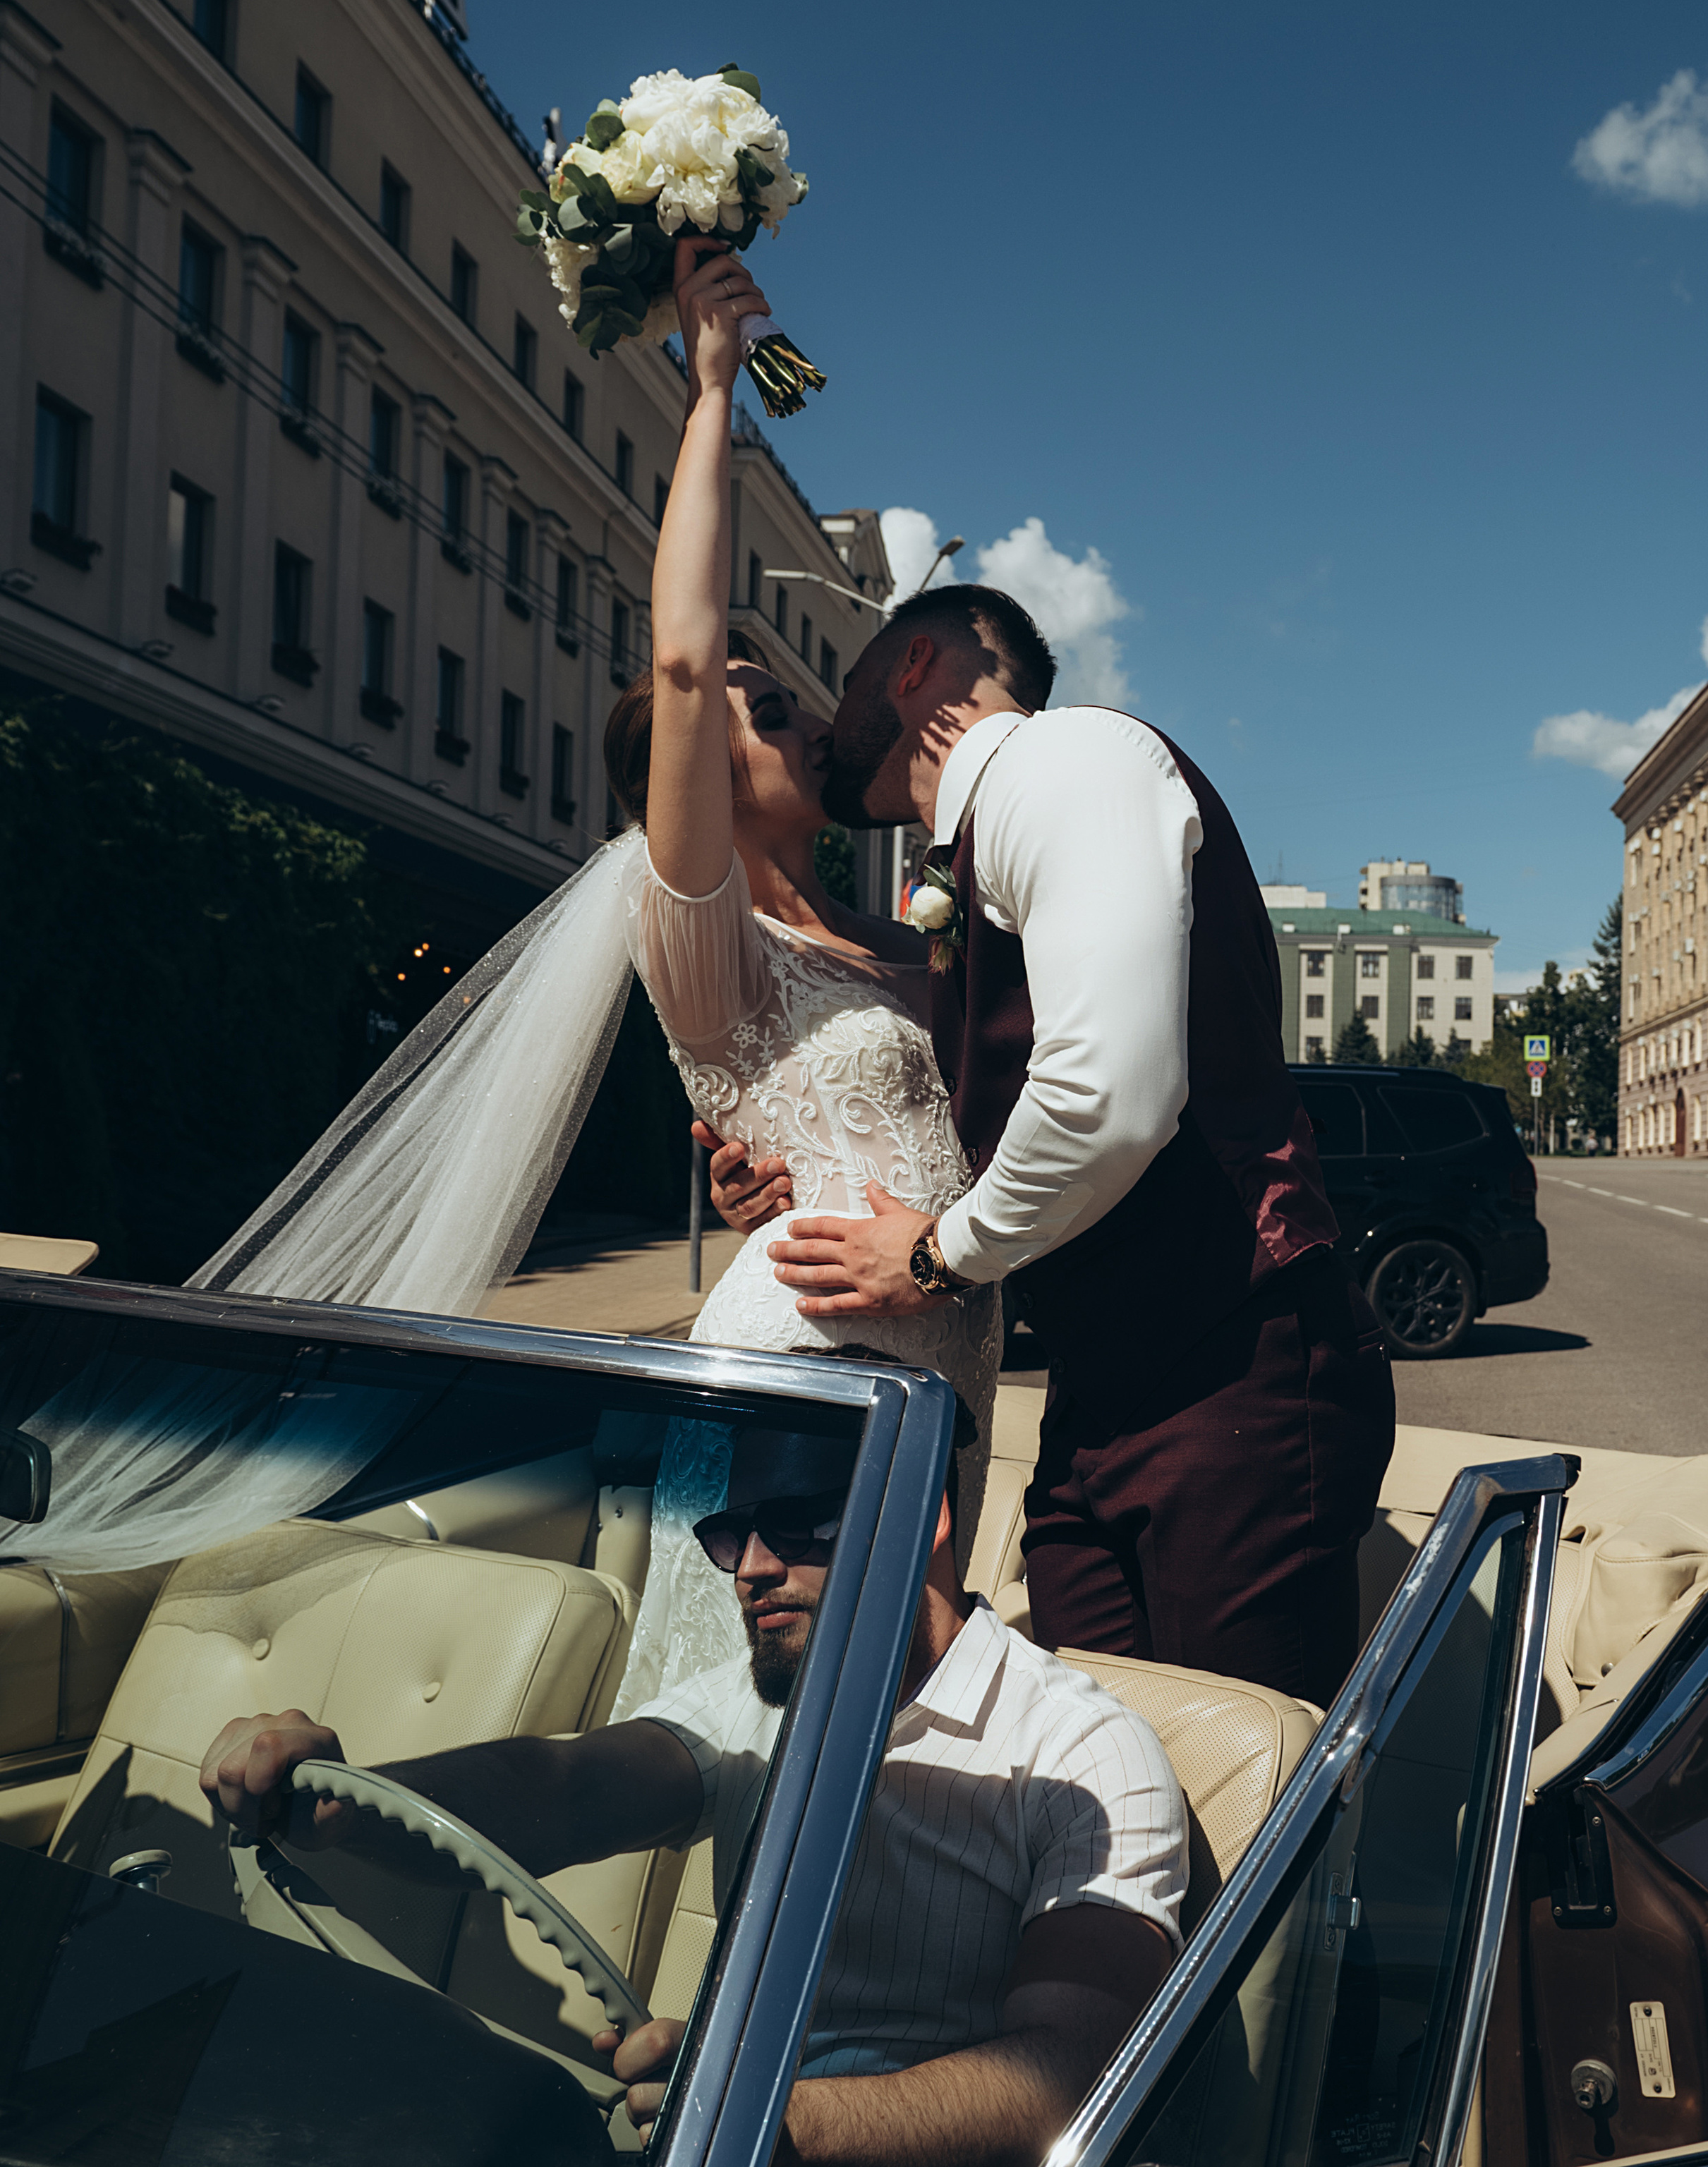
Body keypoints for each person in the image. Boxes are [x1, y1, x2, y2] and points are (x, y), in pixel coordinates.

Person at [708, 586, 1395, 1706]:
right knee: (1102, 1751)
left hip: (1236, 1368)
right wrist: (788, 1173)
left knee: (1245, 1770)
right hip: (1100, 1400)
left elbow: (1105, 1093)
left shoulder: (1064, 762)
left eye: (846, 681)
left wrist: (934, 1256)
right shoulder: (968, 858)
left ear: (914, 664)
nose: (829, 725)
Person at [200, 1426, 1186, 2163]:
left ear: (924, 1517)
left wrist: (776, 2119)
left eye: (796, 1523)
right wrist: (344, 1800)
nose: (752, 1568)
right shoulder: (755, 1700)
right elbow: (564, 1788)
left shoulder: (1086, 1752)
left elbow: (1072, 2073)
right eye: (732, 1532)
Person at [595, 238, 1005, 1707]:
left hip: (944, 1372)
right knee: (768, 1733)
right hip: (804, 1385)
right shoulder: (705, 943)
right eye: (769, 712)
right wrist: (710, 384)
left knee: (907, 1723)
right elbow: (685, 661)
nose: (809, 721)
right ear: (698, 778)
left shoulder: (899, 933)